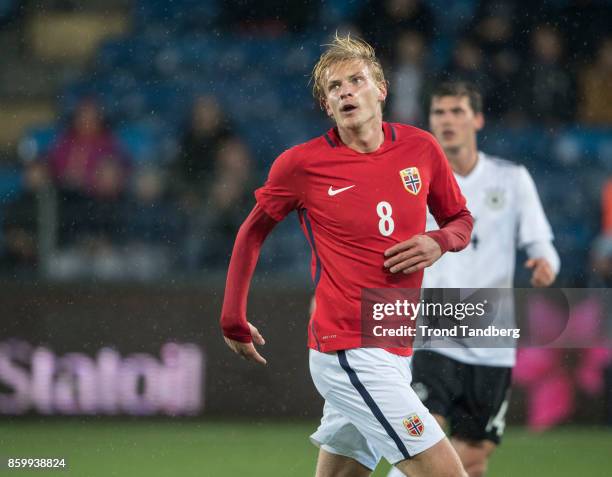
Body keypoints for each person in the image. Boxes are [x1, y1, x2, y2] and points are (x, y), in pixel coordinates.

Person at [220, 34, 473, 477]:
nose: (346, 91)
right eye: (334, 88)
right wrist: (232, 317)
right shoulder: (302, 165)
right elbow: (251, 233)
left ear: (381, 89)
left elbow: (460, 219)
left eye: (356, 80)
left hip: (395, 343)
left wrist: (440, 241)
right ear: (327, 105)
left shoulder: (421, 148)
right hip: (349, 348)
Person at [387, 81, 560, 477]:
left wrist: (545, 263)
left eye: (457, 111)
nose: (447, 121)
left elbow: (541, 242)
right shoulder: (413, 182)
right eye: (439, 113)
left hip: (492, 342)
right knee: (424, 437)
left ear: (477, 119)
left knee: (474, 457)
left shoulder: (511, 179)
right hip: (432, 331)